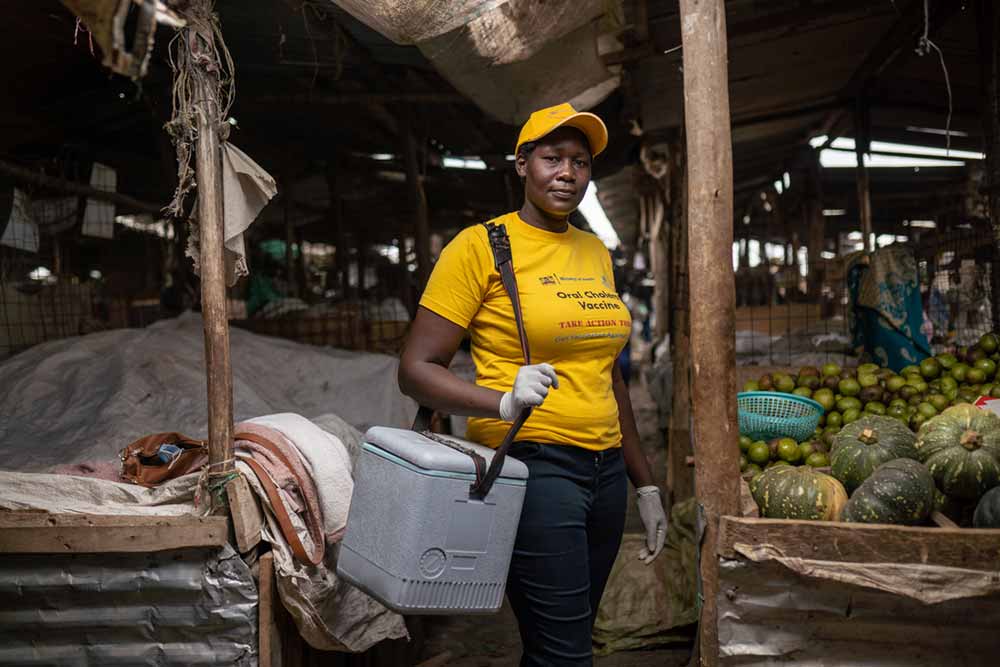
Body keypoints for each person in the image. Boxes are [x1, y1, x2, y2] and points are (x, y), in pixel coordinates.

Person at [398, 103, 667, 666]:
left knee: (558, 646)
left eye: (580, 162)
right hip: (533, 469)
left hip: (606, 474)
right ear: (521, 165)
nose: (567, 173)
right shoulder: (480, 247)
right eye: (552, 159)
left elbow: (609, 372)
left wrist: (644, 484)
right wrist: (499, 398)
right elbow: (416, 369)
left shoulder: (594, 251)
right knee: (567, 655)